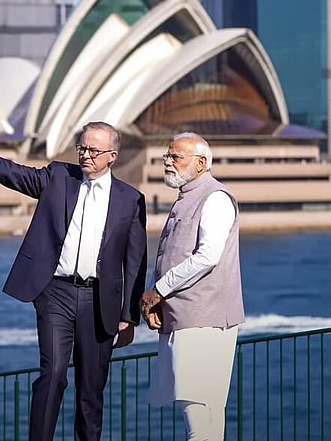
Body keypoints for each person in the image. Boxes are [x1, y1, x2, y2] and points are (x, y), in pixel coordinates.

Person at [0, 122, 148, 441]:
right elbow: (14, 173)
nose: (86, 155)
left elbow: (134, 262)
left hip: (100, 302)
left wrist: (128, 316)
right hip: (56, 294)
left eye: (94, 150)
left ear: (112, 156)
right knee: (53, 375)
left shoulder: (130, 199)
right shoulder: (58, 177)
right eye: (82, 148)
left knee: (91, 390)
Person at [140, 132, 245, 441]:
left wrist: (158, 290)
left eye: (176, 157)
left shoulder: (215, 197)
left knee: (201, 418)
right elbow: (173, 255)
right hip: (186, 319)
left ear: (201, 163)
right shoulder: (189, 197)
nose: (168, 163)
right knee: (204, 422)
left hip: (204, 321)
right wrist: (155, 300)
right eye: (167, 157)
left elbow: (207, 256)